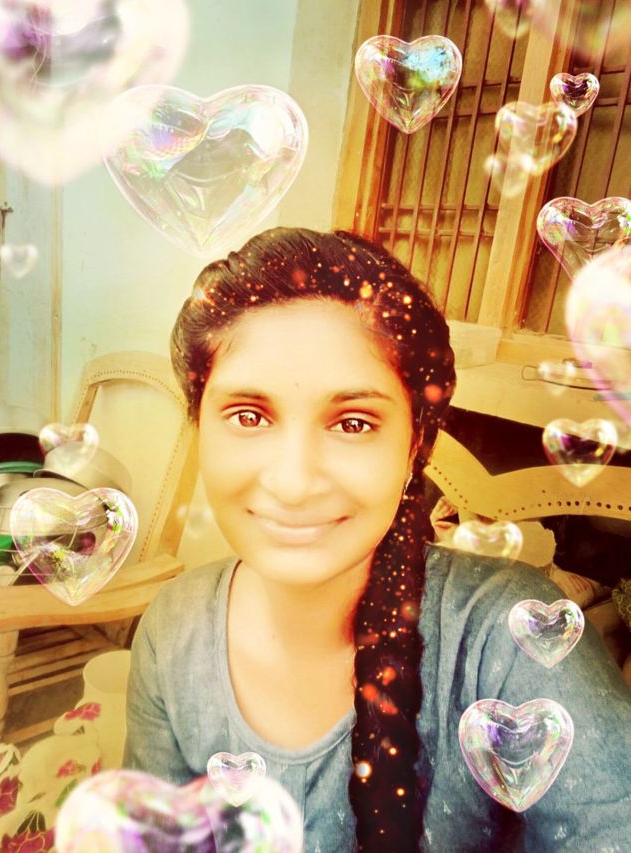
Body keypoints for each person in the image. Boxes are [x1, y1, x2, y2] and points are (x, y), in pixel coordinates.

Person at [124, 227, 631, 852]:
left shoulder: (506, 638)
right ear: (199, 426)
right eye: (249, 416)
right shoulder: (172, 630)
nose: (294, 482)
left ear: (414, 445)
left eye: (353, 423)